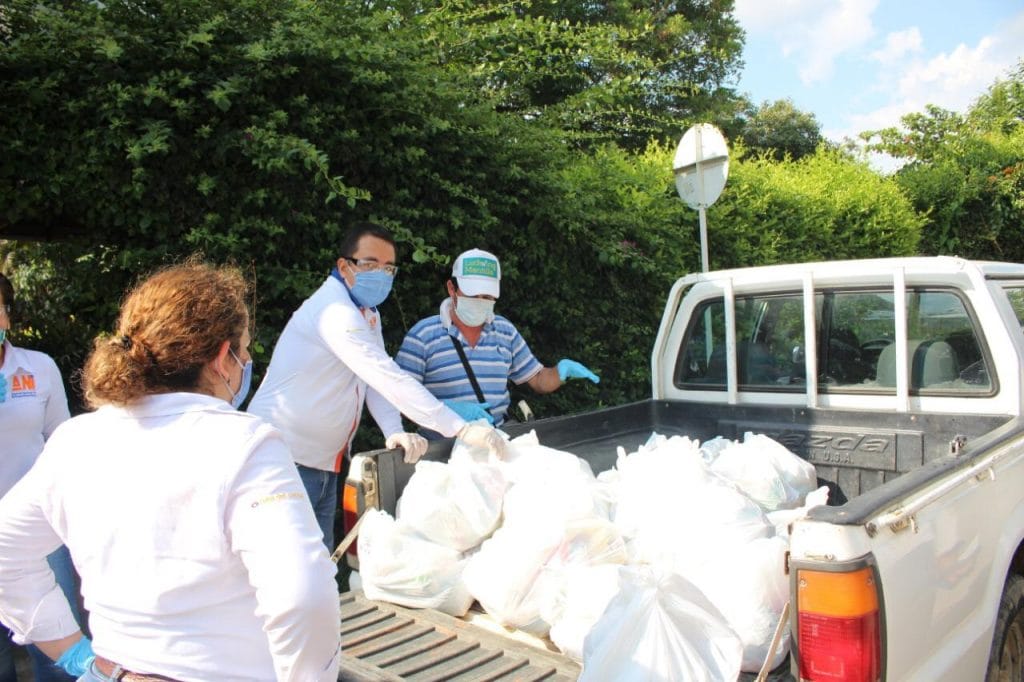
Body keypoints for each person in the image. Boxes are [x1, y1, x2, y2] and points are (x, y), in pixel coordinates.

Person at [0, 262, 340, 681]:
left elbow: (5, 548)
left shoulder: (75, 440)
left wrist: (75, 654)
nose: (248, 360)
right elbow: (303, 595)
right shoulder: (246, 444)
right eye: (245, 348)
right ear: (222, 357)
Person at [247, 223, 507, 549]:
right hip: (284, 462)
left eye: (388, 268)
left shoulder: (367, 314)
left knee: (318, 566)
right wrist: (460, 429)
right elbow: (387, 375)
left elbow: (373, 381)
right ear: (344, 266)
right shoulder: (333, 312)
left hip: (322, 465)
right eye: (370, 264)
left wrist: (392, 429)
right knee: (286, 572)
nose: (381, 275)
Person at [396, 248, 600, 431]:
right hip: (441, 445)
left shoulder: (504, 331)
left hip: (496, 440)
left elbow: (538, 380)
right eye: (473, 294)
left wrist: (560, 372)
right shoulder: (422, 336)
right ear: (451, 288)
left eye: (487, 297)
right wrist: (444, 410)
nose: (480, 302)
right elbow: (400, 396)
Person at [0, 273, 81, 682]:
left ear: (7, 316)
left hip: (38, 531)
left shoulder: (38, 367)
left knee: (57, 657)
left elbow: (62, 443)